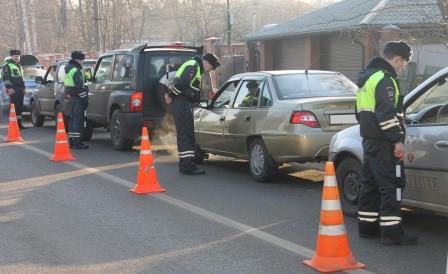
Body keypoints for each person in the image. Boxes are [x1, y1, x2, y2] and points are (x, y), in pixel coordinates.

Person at [356, 41, 417, 245]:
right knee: (391, 185)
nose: (403, 67)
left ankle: (367, 227)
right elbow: (387, 115)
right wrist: (397, 140)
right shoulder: (386, 79)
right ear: (397, 59)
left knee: (370, 185)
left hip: (370, 140)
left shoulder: (368, 79)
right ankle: (392, 234)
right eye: (404, 63)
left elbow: (360, 114)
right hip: (384, 143)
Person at [165, 53, 220, 175]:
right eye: (211, 67)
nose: (210, 70)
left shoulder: (195, 67)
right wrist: (170, 95)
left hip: (183, 103)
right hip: (182, 104)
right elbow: (180, 84)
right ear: (205, 62)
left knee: (184, 134)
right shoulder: (193, 66)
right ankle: (188, 166)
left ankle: (185, 164)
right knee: (186, 135)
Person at [64, 51, 89, 149]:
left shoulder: (69, 69)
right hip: (78, 98)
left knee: (73, 120)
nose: (83, 62)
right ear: (78, 60)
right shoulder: (76, 70)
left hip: (71, 97)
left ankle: (72, 140)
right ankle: (77, 142)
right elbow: (79, 87)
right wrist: (85, 98)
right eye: (82, 60)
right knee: (78, 120)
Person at [2, 49, 27, 129]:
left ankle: (19, 125)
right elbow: (6, 78)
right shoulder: (7, 65)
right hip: (13, 88)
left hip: (20, 88)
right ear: (11, 56)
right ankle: (13, 125)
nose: (17, 58)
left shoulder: (19, 66)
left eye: (18, 56)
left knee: (19, 107)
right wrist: (9, 88)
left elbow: (21, 78)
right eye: (15, 56)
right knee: (14, 107)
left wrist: (24, 88)